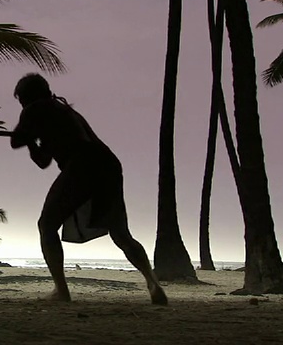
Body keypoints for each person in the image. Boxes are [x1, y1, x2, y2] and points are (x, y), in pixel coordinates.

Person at [10, 73, 168, 305]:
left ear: (27, 97)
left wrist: (26, 138)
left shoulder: (36, 108)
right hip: (108, 164)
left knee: (47, 224)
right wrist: (32, 142)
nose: (23, 105)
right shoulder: (63, 110)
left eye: (22, 101)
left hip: (82, 165)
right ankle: (152, 281)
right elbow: (43, 160)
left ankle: (61, 290)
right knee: (121, 233)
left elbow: (15, 141)